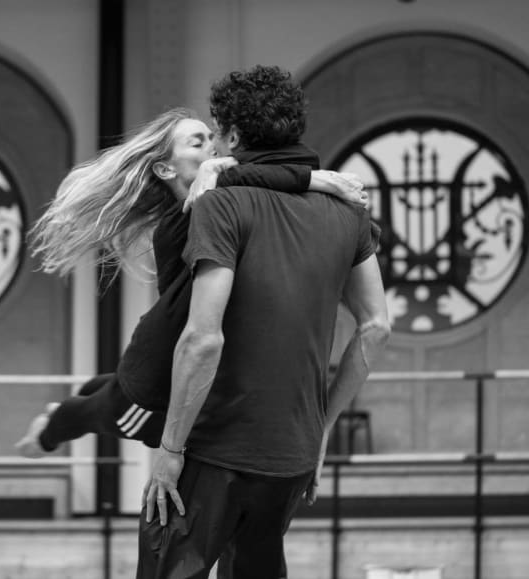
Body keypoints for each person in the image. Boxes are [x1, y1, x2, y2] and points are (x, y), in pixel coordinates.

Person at [139, 65, 390, 578]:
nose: (213, 146)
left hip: (212, 447)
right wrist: (322, 429)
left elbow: (202, 338)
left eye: (216, 134)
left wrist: (169, 450)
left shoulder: (220, 205)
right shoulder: (348, 210)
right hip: (292, 454)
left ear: (233, 136)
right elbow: (376, 325)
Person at [16, 108, 366, 459]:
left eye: (213, 139)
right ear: (166, 169)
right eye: (198, 143)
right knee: (90, 413)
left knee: (99, 386)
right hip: (155, 389)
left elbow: (253, 177)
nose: (213, 147)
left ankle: (91, 392)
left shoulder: (225, 200)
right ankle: (45, 432)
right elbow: (250, 176)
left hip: (177, 362)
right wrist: (316, 179)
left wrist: (310, 179)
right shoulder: (179, 223)